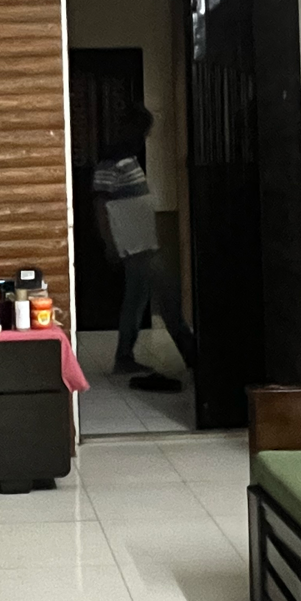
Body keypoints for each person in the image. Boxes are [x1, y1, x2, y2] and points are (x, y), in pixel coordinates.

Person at [93, 104, 189, 391]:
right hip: (134, 245)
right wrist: (109, 243)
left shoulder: (128, 160)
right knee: (167, 296)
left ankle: (125, 356)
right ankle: (191, 353)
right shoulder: (111, 164)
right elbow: (100, 207)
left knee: (136, 300)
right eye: (145, 132)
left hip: (143, 242)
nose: (147, 137)